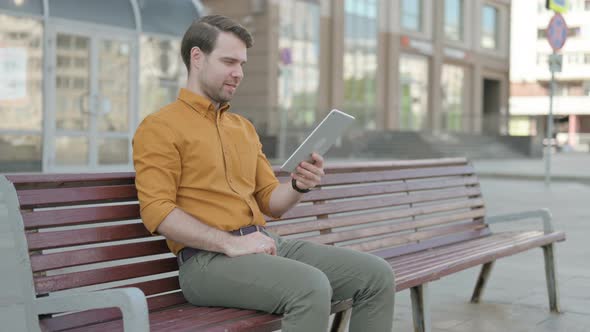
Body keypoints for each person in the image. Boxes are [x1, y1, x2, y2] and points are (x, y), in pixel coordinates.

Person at [132, 15, 395, 332]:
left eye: (241, 64)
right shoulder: (159, 127)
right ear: (197, 58)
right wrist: (229, 244)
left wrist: (298, 183)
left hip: (264, 244)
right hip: (206, 263)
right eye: (229, 61)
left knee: (376, 276)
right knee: (310, 287)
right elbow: (157, 211)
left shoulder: (242, 128)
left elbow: (272, 202)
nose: (238, 73)